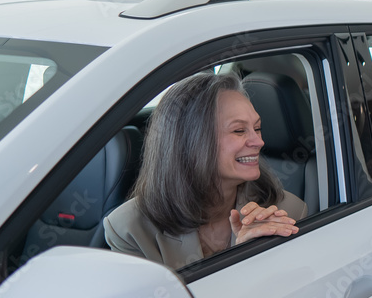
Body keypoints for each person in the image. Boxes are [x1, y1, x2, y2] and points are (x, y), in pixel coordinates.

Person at [104, 71, 305, 268]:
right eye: (239, 130)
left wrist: (252, 258)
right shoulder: (129, 229)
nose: (258, 141)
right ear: (190, 142)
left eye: (258, 128)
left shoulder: (287, 212)